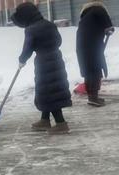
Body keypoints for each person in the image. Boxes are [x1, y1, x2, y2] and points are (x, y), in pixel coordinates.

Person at [11, 2, 72, 134]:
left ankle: (61, 123)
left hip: (44, 63)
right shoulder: (49, 24)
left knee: (49, 92)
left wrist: (22, 59)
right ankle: (45, 120)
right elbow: (59, 41)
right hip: (56, 59)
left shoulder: (31, 29)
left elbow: (28, 47)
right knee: (50, 91)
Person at [76, 1, 114, 107]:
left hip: (83, 46)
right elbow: (109, 26)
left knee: (89, 69)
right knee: (95, 69)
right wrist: (109, 29)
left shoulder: (86, 14)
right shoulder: (99, 9)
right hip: (92, 45)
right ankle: (93, 98)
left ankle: (93, 97)